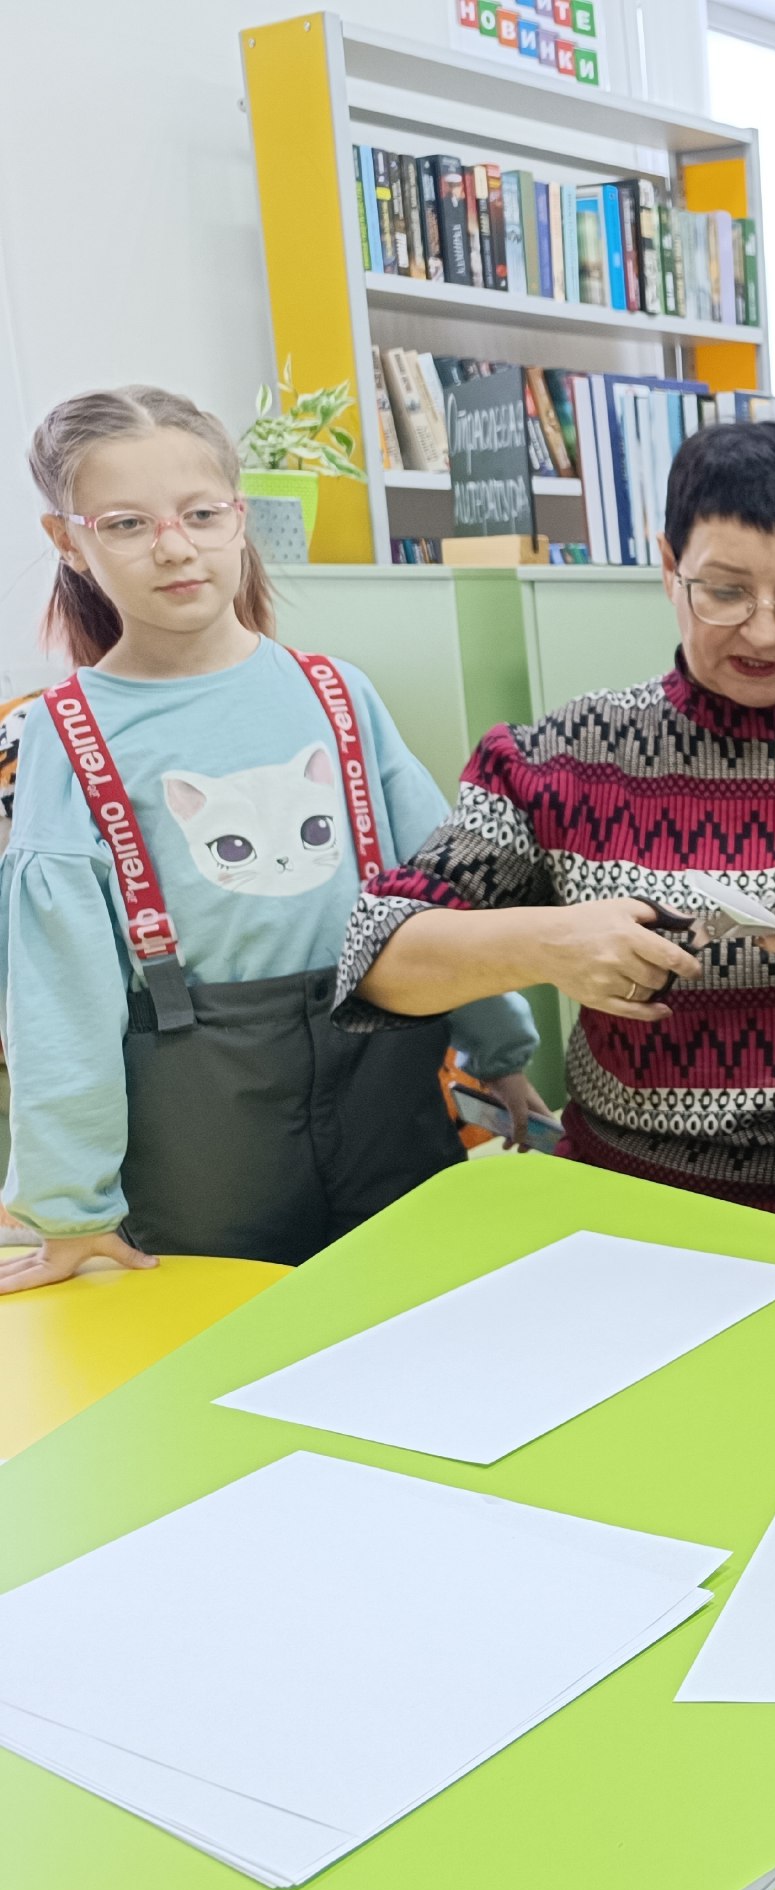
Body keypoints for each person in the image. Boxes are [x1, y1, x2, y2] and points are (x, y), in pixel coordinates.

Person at [339, 420, 775, 1225]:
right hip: (630, 1210)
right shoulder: (563, 758)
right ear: (667, 568)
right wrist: (548, 944)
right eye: (724, 591)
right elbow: (375, 956)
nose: (764, 630)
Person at [0, 385, 543, 1285]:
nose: (175, 547)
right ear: (69, 540)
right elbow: (60, 997)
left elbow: (440, 896)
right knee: (229, 1340)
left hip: (386, 1097)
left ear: (239, 515)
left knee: (412, 1310)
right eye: (127, 524)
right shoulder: (67, 733)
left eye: (201, 513)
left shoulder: (337, 694)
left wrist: (502, 1048)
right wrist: (70, 1208)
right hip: (204, 1143)